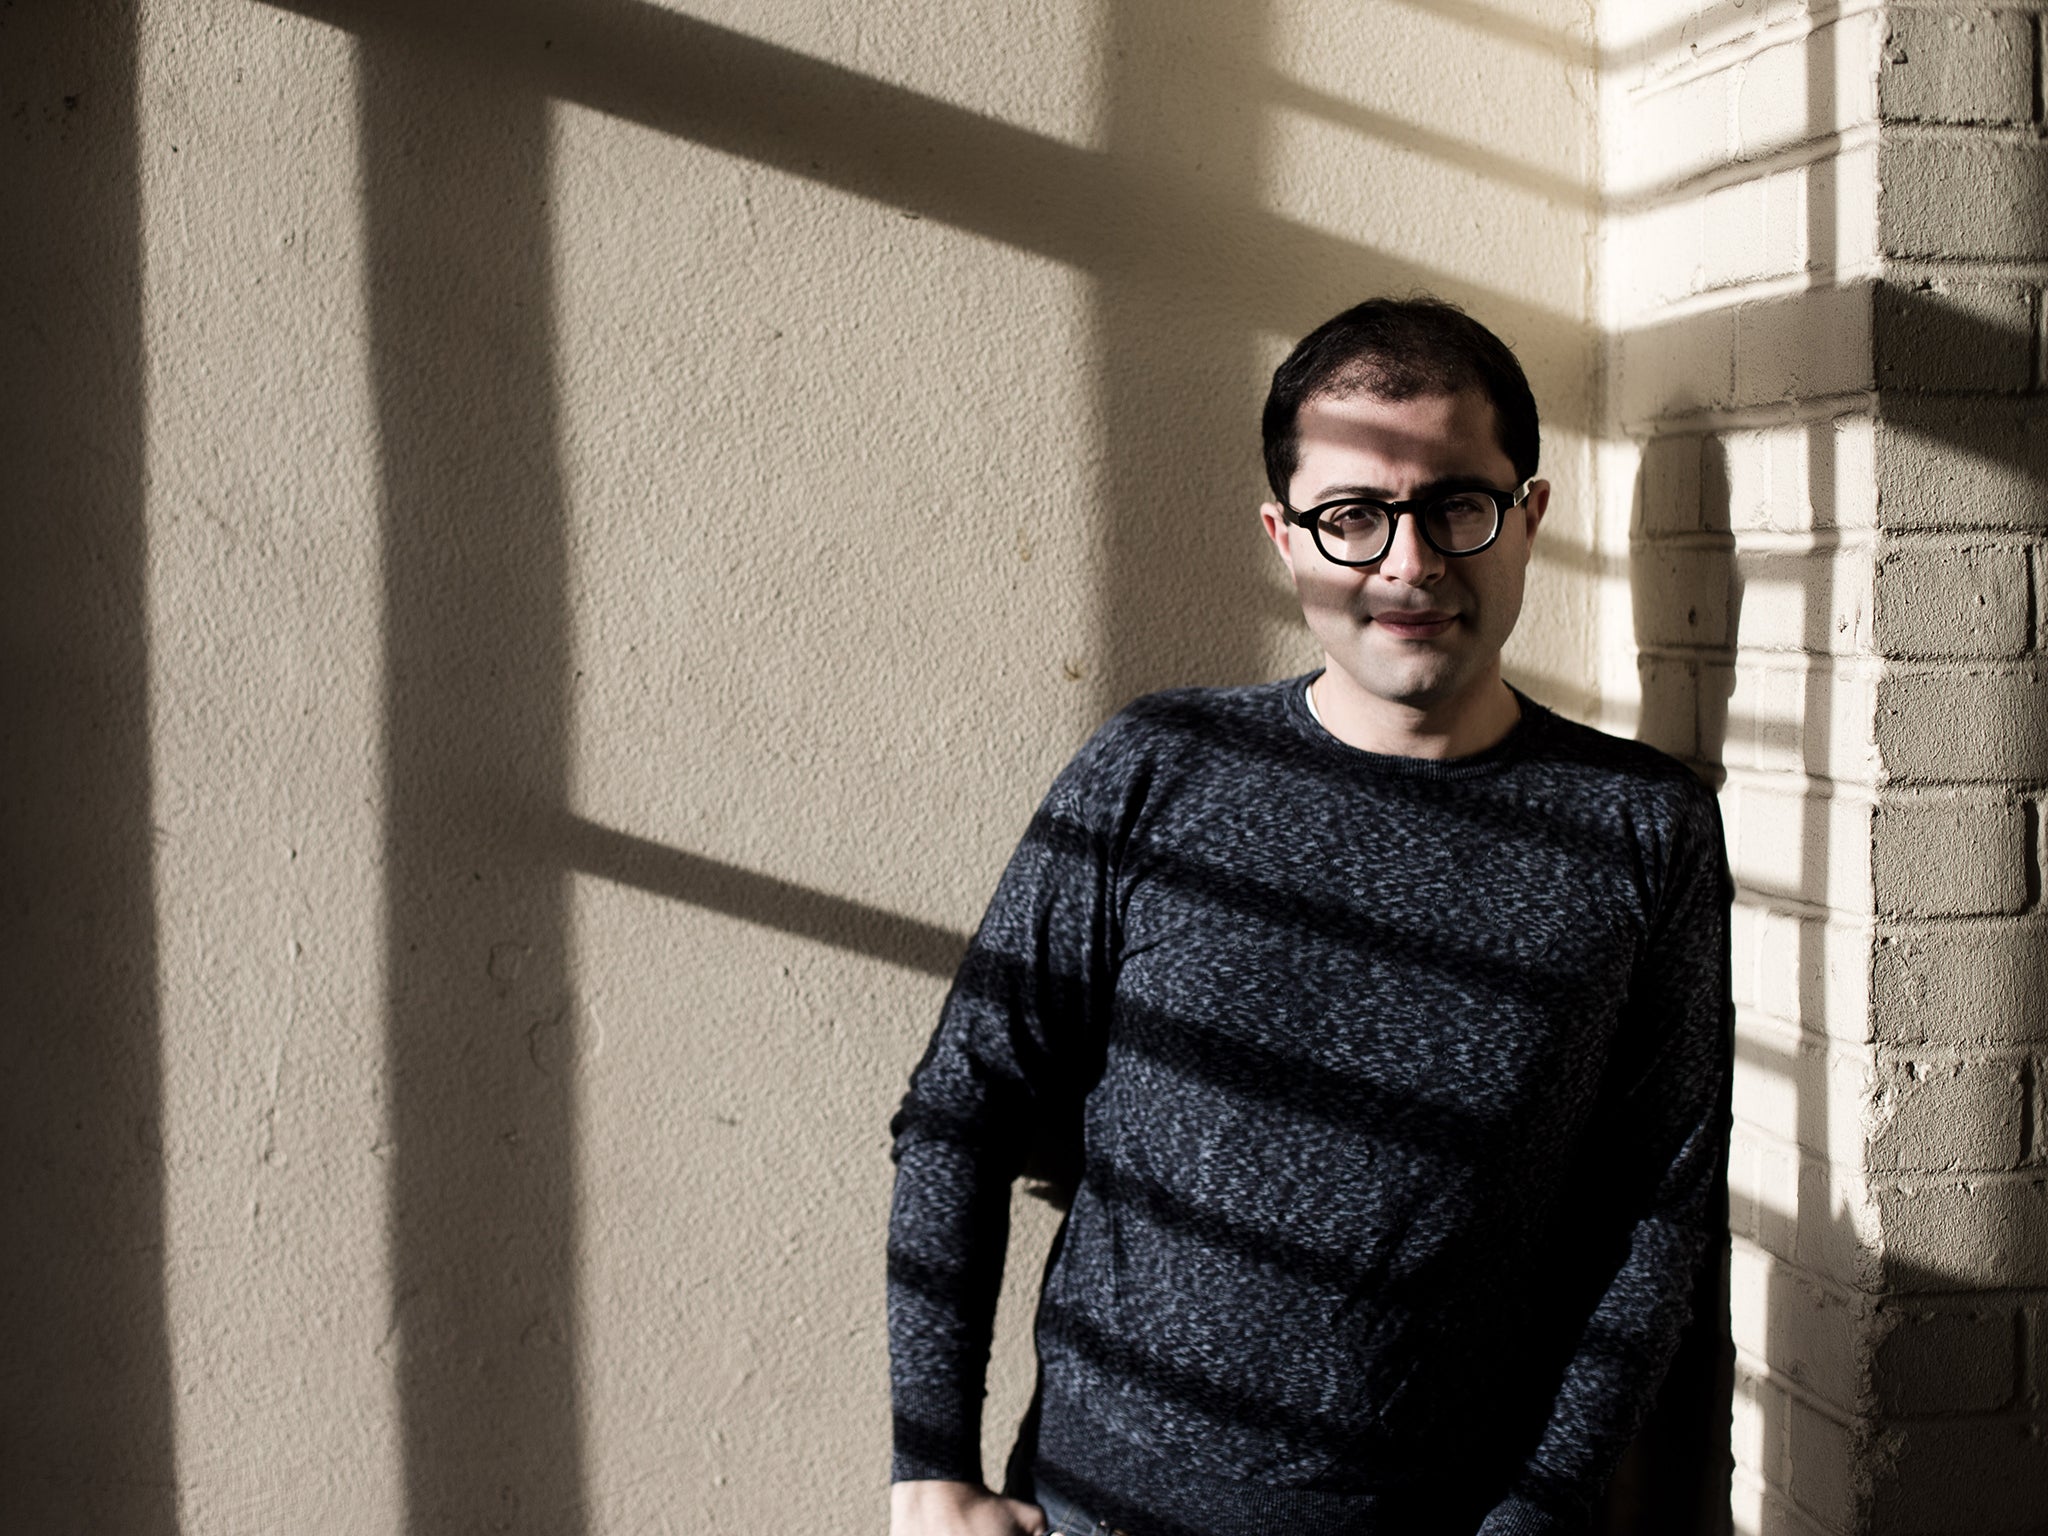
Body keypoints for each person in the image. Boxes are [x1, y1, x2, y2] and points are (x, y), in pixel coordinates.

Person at [886, 297, 1732, 1536]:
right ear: (1285, 538)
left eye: (1455, 504)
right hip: (1094, 1504)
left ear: (1527, 515)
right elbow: (962, 1107)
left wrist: (1538, 1518)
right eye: (1353, 518)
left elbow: (1653, 1211)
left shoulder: (1640, 828)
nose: (1408, 563)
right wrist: (929, 1468)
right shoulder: (1152, 770)